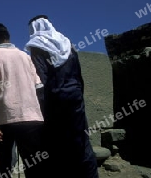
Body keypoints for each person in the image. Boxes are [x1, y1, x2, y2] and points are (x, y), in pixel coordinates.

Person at [25, 15, 99, 178]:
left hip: (55, 103)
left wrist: (41, 111)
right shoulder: (67, 44)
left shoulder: (37, 47)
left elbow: (41, 82)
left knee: (58, 147)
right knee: (82, 143)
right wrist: (78, 97)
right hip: (76, 99)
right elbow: (79, 76)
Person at [0, 23, 47, 178]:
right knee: (34, 166)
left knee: (4, 165)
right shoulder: (25, 56)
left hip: (6, 119)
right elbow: (38, 87)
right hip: (32, 118)